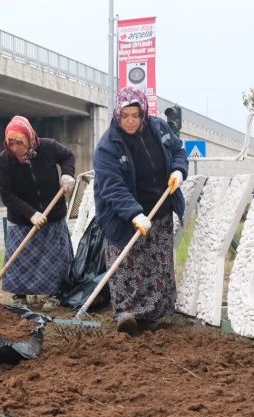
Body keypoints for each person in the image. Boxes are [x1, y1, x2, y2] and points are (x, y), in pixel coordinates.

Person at [93, 87, 189, 335]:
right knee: (127, 263)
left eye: (135, 115)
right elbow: (111, 186)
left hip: (160, 209)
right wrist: (134, 213)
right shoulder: (108, 146)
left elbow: (178, 150)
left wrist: (178, 170)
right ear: (117, 114)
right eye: (125, 115)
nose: (130, 121)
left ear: (144, 113)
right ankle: (126, 314)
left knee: (157, 264)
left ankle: (153, 315)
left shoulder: (159, 128)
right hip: (123, 216)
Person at [0, 115, 76, 311]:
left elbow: (68, 157)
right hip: (22, 219)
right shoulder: (4, 161)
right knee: (20, 258)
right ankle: (20, 295)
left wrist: (67, 173)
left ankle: (56, 293)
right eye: (11, 143)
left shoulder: (48, 147)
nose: (15, 148)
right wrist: (31, 213)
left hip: (53, 216)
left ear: (29, 138)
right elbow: (7, 194)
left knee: (54, 259)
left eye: (19, 142)